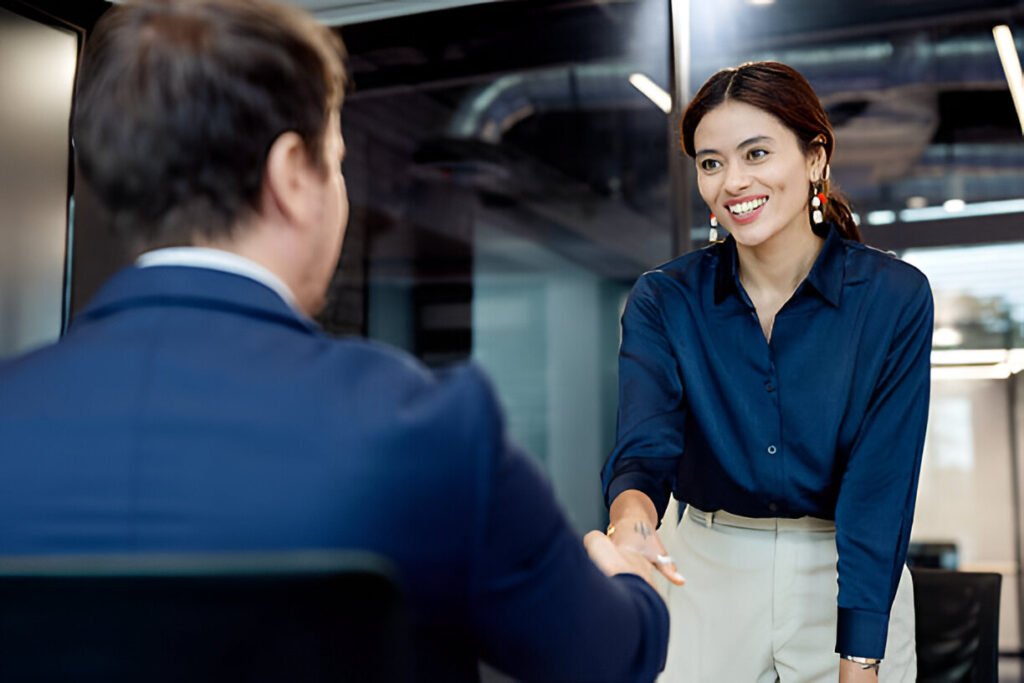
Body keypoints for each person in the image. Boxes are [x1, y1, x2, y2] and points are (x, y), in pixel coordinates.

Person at [0, 1, 670, 681]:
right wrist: (630, 579)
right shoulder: (430, 429)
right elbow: (610, 659)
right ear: (293, 173)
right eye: (337, 161)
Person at [601, 61, 932, 683]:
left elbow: (878, 491)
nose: (733, 181)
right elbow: (645, 452)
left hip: (843, 566)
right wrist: (632, 528)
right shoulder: (663, 299)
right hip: (703, 568)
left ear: (815, 159)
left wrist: (861, 656)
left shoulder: (893, 297)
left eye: (756, 153)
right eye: (711, 162)